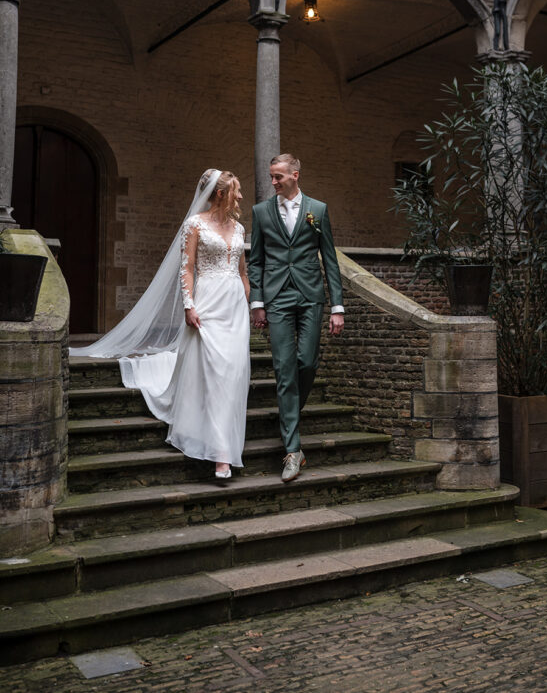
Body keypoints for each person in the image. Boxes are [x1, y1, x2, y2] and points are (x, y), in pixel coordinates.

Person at [71, 169, 250, 480]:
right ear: (221, 194)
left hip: (235, 309)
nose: (241, 196)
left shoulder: (239, 229)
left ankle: (226, 440)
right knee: (215, 372)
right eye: (236, 190)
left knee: (233, 374)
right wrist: (189, 305)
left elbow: (242, 271)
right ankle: (222, 454)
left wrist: (246, 299)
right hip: (207, 304)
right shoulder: (195, 225)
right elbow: (188, 268)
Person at [248, 153, 344, 483]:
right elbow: (255, 261)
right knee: (283, 367)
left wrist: (337, 307)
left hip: (311, 296)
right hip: (276, 298)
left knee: (306, 362)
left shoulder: (317, 210)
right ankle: (293, 450)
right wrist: (257, 302)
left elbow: (329, 260)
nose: (272, 182)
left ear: (295, 175)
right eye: (271, 177)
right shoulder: (260, 212)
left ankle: (288, 412)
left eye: (278, 177)